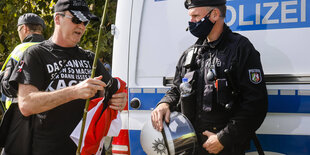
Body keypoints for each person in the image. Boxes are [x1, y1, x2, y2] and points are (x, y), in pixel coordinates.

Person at [5, 0, 127, 154]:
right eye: (76, 20)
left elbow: (109, 96)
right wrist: (74, 91)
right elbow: (26, 104)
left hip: (89, 150)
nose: (81, 26)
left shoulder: (90, 58)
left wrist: (118, 101)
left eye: (85, 21)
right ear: (57, 19)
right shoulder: (36, 54)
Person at [151, 0, 268, 154]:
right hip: (190, 146)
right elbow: (177, 90)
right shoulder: (191, 54)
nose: (191, 21)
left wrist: (224, 138)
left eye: (196, 16)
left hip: (225, 148)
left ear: (214, 14)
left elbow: (255, 104)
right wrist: (164, 104)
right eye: (190, 17)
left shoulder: (240, 49)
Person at [0, 13, 45, 155]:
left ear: (24, 28)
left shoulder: (20, 50)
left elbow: (7, 87)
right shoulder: (50, 49)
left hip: (20, 116)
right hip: (48, 115)